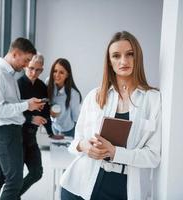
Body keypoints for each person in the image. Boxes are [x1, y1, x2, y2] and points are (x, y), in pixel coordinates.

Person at [60, 31, 162, 200]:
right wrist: (84, 146)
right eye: (116, 56)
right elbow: (75, 142)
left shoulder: (153, 99)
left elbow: (153, 156)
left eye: (130, 54)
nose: (123, 61)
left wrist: (115, 153)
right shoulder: (95, 96)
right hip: (79, 186)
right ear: (109, 62)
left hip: (123, 190)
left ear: (138, 58)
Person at [0, 37, 45, 200]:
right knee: (14, 181)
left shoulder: (8, 74)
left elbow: (11, 104)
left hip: (9, 131)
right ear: (15, 53)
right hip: (4, 133)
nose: (26, 65)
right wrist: (25, 106)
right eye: (25, 60)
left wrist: (28, 103)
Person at [17, 54, 63, 197]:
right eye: (31, 68)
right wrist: (31, 118)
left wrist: (51, 133)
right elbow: (10, 111)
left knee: (37, 173)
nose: (33, 73)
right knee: (15, 177)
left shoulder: (42, 87)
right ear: (25, 66)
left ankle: (12, 196)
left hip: (31, 137)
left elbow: (45, 113)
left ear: (42, 70)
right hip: (16, 136)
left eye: (38, 70)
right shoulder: (17, 85)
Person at [47, 58, 82, 137]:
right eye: (55, 71)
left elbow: (76, 117)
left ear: (67, 75)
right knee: (55, 149)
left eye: (61, 72)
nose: (57, 75)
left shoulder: (74, 94)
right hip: (54, 127)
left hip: (69, 130)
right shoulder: (49, 84)